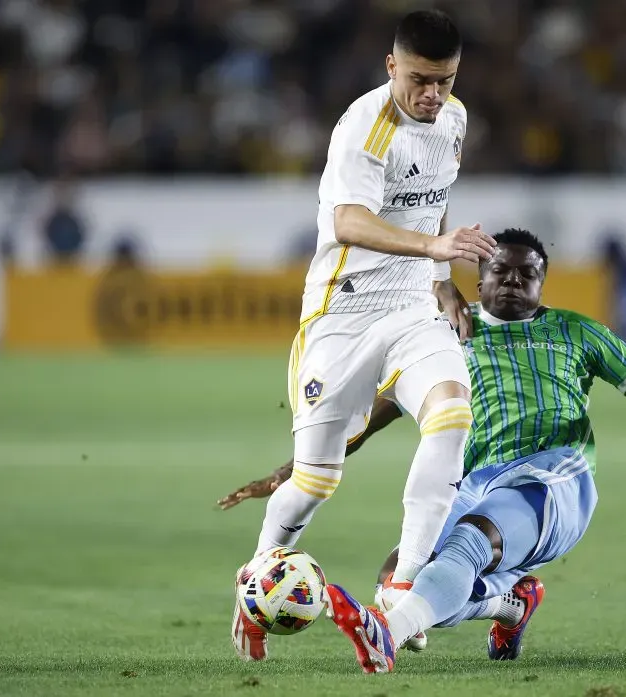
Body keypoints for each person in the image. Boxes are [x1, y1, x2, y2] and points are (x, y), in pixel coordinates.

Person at [220, 229, 626, 673]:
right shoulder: (445, 338)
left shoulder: (577, 332)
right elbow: (373, 416)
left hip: (553, 477)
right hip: (474, 485)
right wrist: (293, 470)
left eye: (526, 274)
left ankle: (384, 637)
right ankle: (509, 604)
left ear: (542, 284)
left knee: (463, 549)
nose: (512, 280)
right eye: (500, 271)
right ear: (480, 277)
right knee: (397, 584)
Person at [231, 9, 496, 662]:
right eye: (419, 80)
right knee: (316, 480)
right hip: (341, 318)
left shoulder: (453, 121)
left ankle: (401, 590)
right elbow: (349, 221)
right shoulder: (363, 127)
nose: (432, 95)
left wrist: (439, 278)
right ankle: (256, 578)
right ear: (391, 67)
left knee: (452, 413)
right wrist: (436, 244)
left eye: (445, 80)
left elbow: (434, 201)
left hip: (411, 310)